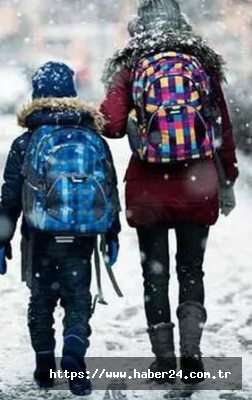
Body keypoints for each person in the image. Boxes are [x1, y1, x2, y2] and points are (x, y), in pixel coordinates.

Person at [100, 0, 238, 384]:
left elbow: (109, 125)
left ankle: (163, 360)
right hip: (199, 184)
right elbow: (222, 128)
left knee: (154, 274)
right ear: (183, 25)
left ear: (137, 29)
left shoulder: (131, 68)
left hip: (148, 189)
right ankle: (191, 355)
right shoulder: (202, 65)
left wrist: (133, 122)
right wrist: (227, 177)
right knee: (191, 269)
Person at [0, 61, 121, 396]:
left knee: (42, 300)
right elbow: (109, 188)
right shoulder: (92, 136)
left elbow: (10, 196)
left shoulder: (27, 141)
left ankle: (45, 365)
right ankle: (75, 359)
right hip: (81, 237)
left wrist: (1, 239)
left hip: (40, 237)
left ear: (36, 94)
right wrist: (112, 232)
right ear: (72, 94)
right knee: (78, 300)